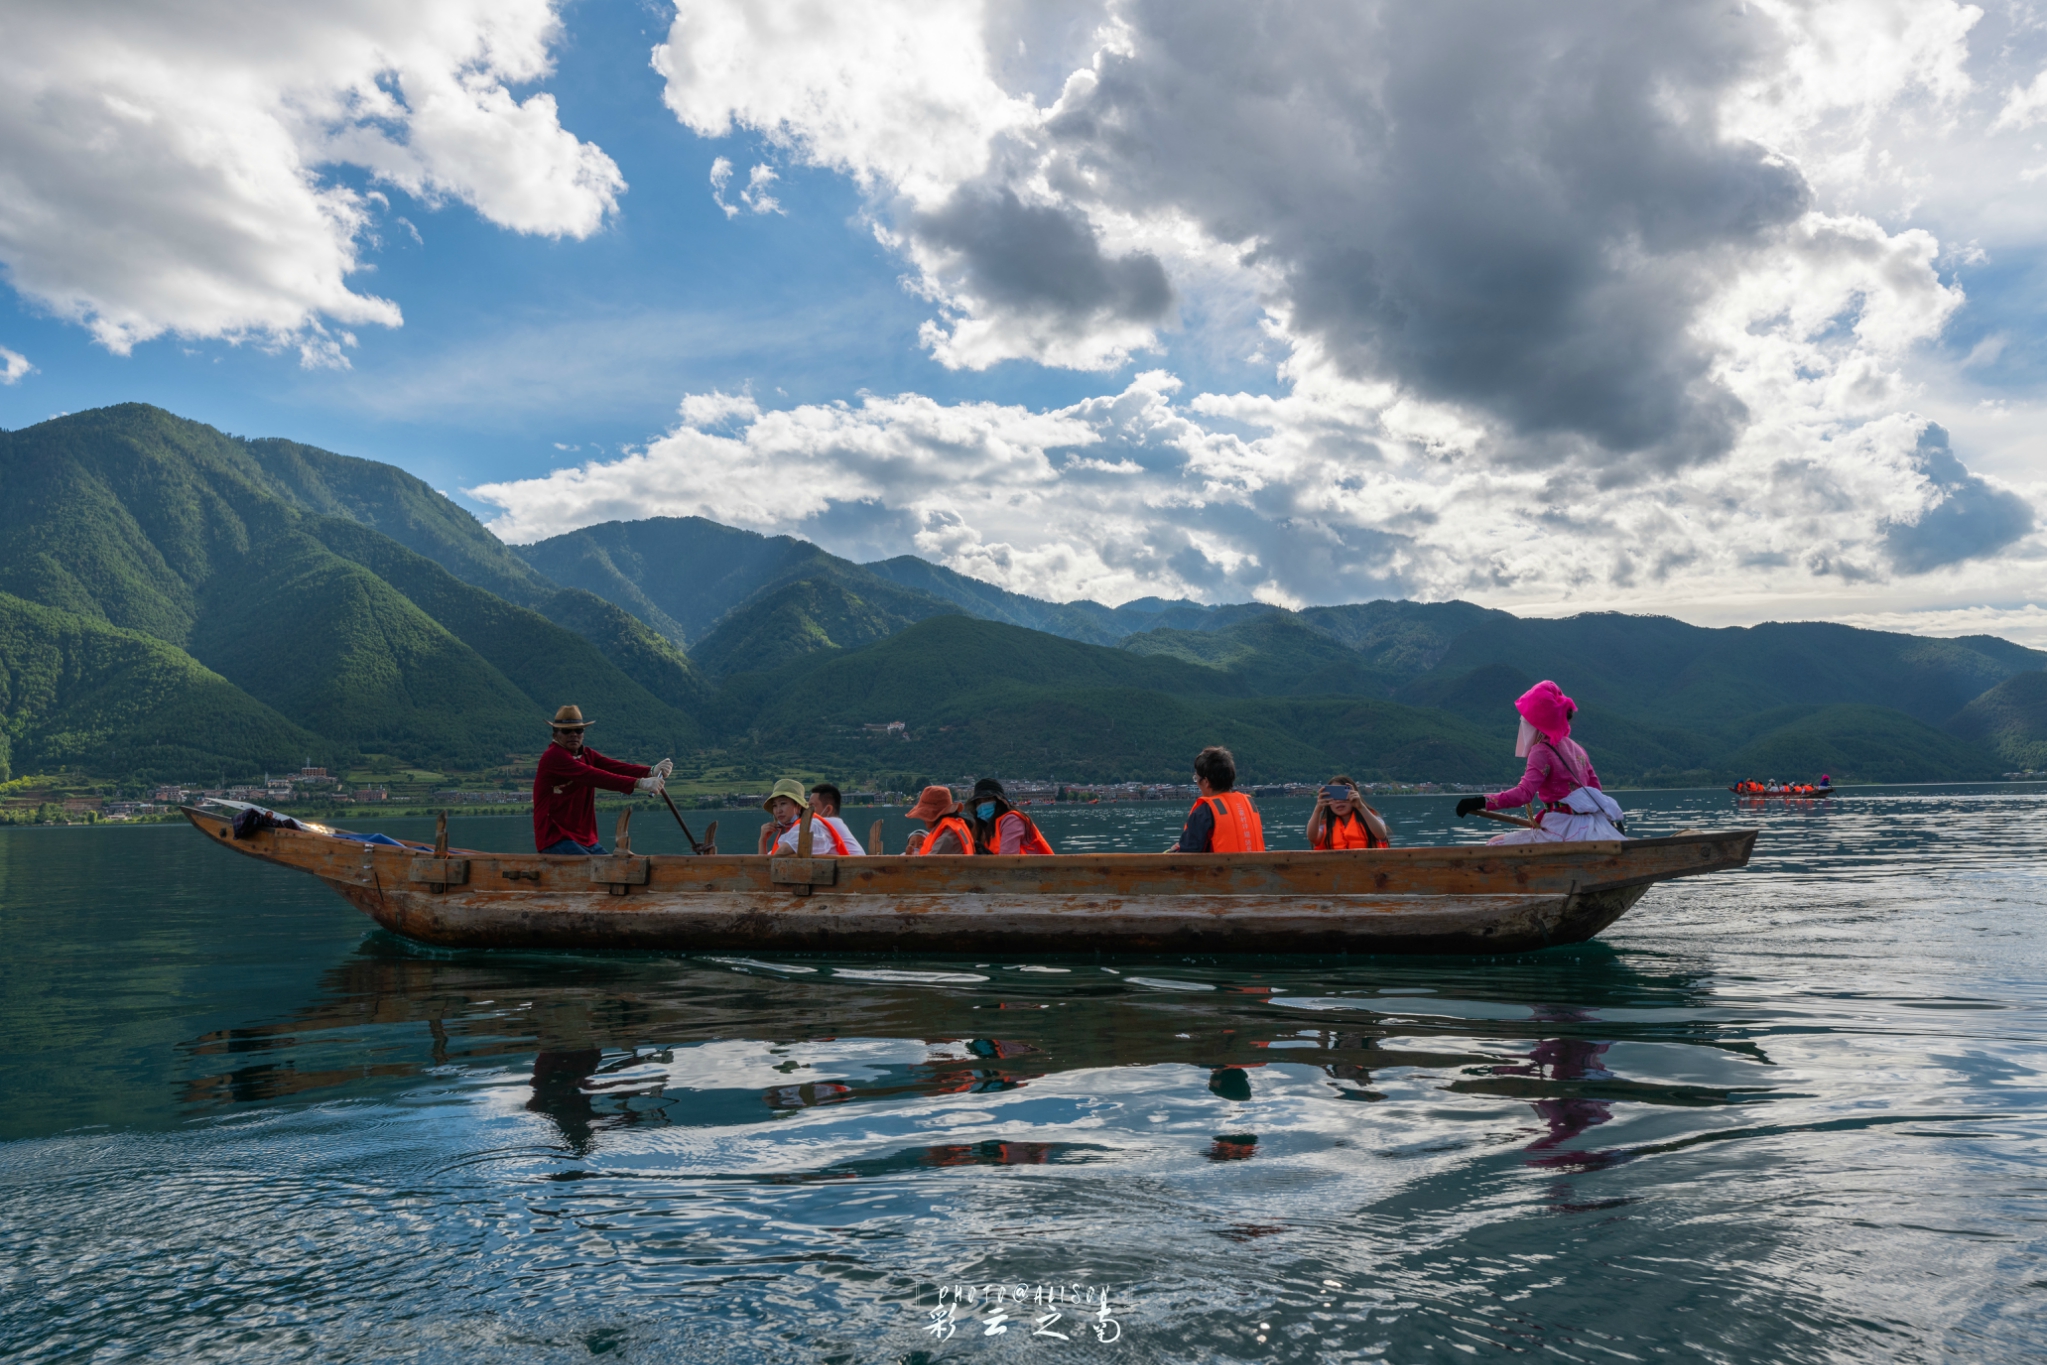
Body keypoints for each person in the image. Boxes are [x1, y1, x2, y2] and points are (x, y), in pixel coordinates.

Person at [1453, 681, 1623, 844]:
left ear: (1538, 721)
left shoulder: (1541, 750)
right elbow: (1596, 791)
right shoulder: (1579, 749)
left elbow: (1524, 794)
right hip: (1593, 827)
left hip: (1562, 829)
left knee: (1493, 844)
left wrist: (1477, 802)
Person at [531, 704, 669, 854]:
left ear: (583, 733)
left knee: (613, 872)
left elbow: (615, 767)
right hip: (555, 838)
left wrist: (651, 771)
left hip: (586, 839)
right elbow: (592, 776)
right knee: (602, 871)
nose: (573, 734)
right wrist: (640, 783)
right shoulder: (553, 757)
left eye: (578, 730)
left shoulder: (587, 754)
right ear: (555, 734)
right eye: (566, 731)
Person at [1170, 746, 1265, 852]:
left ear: (1206, 782)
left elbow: (1187, 857)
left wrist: (1177, 850)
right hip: (1258, 869)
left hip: (1222, 869)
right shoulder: (1250, 806)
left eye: (1196, 778)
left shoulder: (1204, 812)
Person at [760, 778, 865, 856]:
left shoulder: (813, 824)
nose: (778, 810)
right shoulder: (831, 823)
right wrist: (762, 840)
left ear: (798, 806)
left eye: (783, 803)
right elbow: (763, 865)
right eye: (775, 805)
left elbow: (778, 855)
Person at [966, 777, 1055, 855]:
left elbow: (1008, 863)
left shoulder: (1012, 820)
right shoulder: (983, 828)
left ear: (999, 801)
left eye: (988, 799)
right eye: (978, 802)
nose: (983, 805)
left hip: (1038, 872)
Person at [1307, 775, 1389, 849]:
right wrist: (1317, 810)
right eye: (1334, 797)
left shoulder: (1371, 819)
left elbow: (1381, 834)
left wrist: (1360, 806)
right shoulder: (1324, 826)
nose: (1339, 801)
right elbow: (1313, 838)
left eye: (1343, 795)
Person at [904, 785, 974, 855]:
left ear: (934, 815)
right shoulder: (954, 828)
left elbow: (927, 864)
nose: (923, 818)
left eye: (924, 814)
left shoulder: (947, 838)